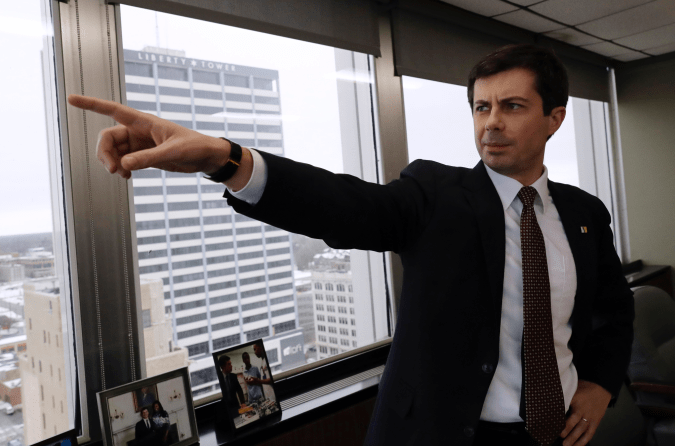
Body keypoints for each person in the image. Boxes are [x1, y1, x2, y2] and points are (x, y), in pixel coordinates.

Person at [68, 43, 633, 446]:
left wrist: (601, 385)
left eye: (512, 106)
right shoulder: (436, 194)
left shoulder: (584, 213)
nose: (490, 123)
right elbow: (345, 205)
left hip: (553, 433)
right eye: (481, 107)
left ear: (555, 118)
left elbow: (613, 310)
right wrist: (227, 158)